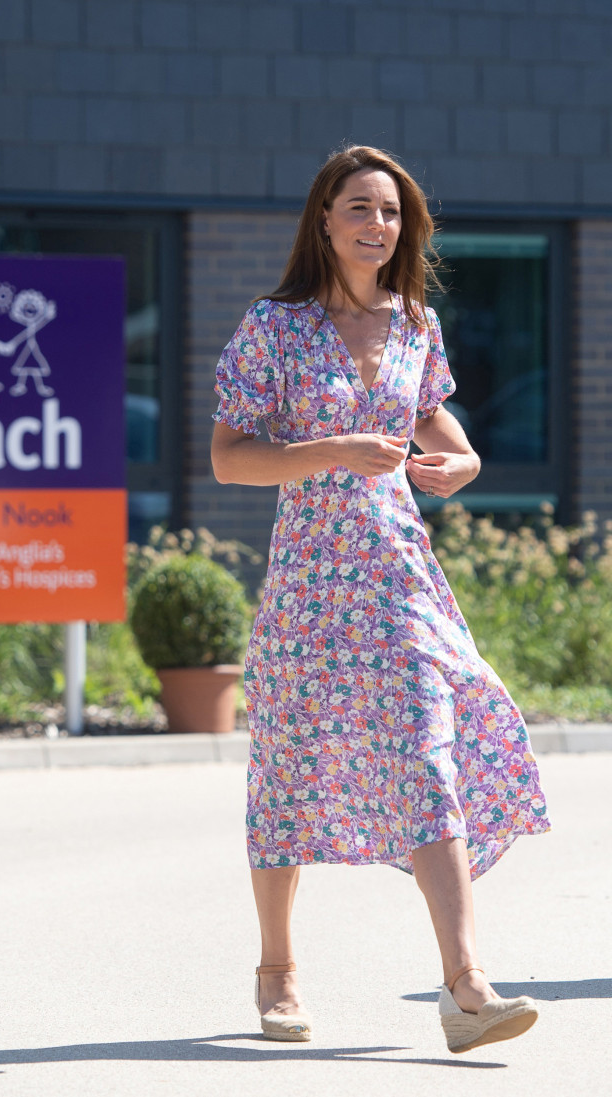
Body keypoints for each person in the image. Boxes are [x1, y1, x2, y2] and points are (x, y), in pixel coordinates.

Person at [210, 146, 551, 1053]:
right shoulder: (274, 328)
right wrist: (328, 450)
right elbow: (229, 456)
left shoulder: (415, 324)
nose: (377, 223)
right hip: (311, 586)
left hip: (399, 579)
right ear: (324, 218)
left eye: (392, 211)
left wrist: (466, 458)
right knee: (288, 766)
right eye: (359, 205)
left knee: (429, 753)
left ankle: (466, 985)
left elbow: (439, 422)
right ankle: (277, 970)